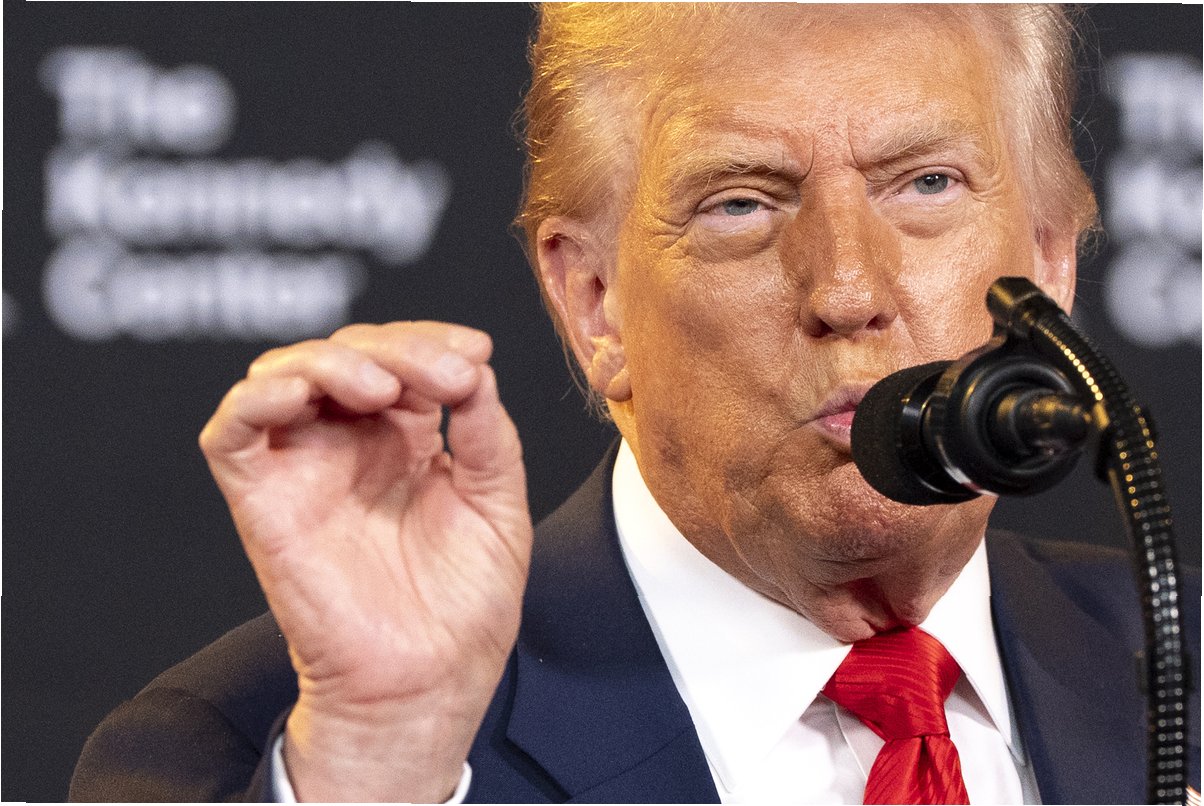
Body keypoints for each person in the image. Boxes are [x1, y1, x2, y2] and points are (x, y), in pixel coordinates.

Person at [71, 5, 1199, 804]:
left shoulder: (1181, 667)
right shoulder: (252, 753)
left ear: (1050, 261)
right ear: (595, 301)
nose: (848, 289)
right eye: (741, 204)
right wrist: (381, 770)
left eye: (927, 184)